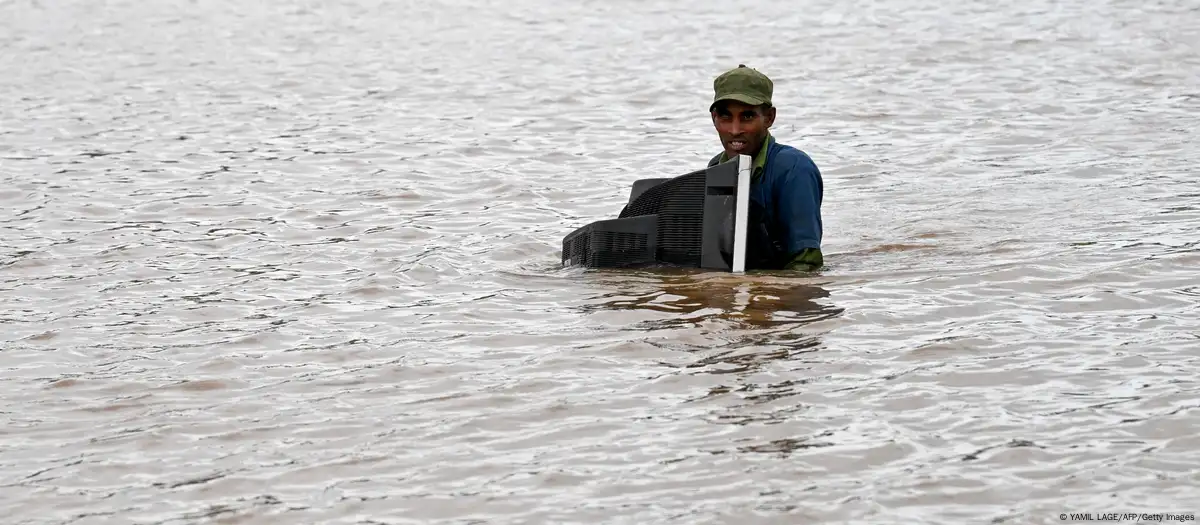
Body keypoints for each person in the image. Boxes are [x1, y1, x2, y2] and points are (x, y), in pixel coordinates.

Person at [706, 65, 824, 272]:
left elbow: (806, 264)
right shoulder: (716, 168)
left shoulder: (794, 169)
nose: (735, 130)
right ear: (714, 118)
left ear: (769, 118)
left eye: (747, 117)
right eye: (726, 117)